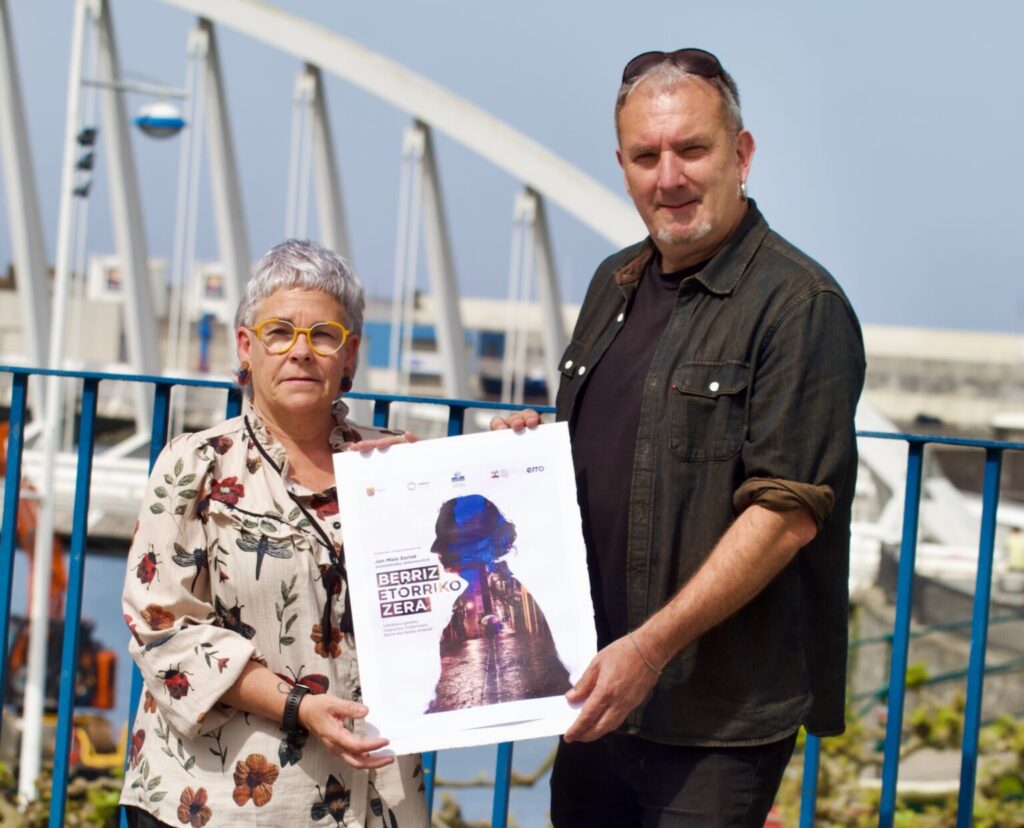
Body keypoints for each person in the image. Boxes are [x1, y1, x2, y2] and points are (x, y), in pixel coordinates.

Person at [493, 48, 865, 825]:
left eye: (691, 149)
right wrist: (524, 455)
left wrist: (649, 649)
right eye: (646, 156)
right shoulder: (613, 283)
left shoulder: (800, 304)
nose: (669, 178)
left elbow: (785, 515)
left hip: (712, 720)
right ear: (623, 168)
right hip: (598, 693)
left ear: (741, 154)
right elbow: (611, 451)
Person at [120, 240, 428, 827]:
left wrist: (510, 454)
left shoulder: (397, 466)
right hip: (219, 805)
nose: (301, 351)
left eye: (324, 335)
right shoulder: (197, 464)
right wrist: (300, 707)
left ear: (350, 355)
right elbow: (162, 629)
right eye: (280, 332)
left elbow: (458, 588)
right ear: (246, 347)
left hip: (373, 799)